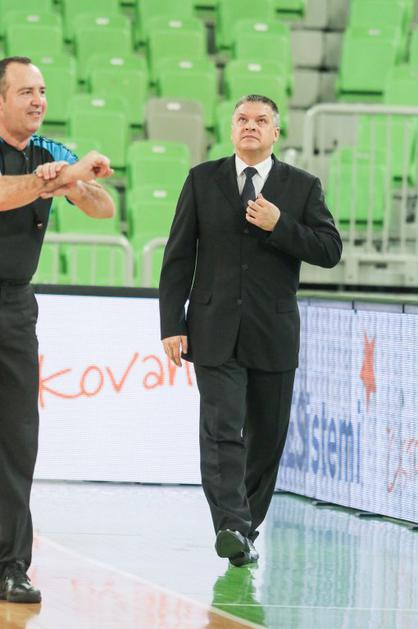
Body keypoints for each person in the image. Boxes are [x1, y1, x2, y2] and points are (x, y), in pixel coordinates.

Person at [159, 94, 342, 567]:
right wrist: (171, 324)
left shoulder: (302, 186)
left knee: (266, 439)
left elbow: (329, 250)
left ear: (276, 132)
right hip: (212, 328)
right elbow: (178, 256)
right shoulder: (202, 179)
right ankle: (231, 524)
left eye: (261, 120)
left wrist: (281, 225)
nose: (250, 126)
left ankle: (245, 529)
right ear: (231, 127)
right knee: (221, 430)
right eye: (242, 119)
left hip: (273, 332)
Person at [0, 56, 115, 603]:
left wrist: (72, 186)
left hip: (15, 308)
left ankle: (11, 566)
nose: (38, 101)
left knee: (17, 440)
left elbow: (104, 207)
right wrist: (62, 177)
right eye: (26, 91)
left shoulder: (50, 151)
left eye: (42, 91)